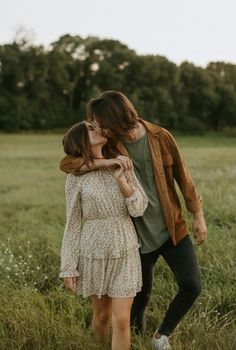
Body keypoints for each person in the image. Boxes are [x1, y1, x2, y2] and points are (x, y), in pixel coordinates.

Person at [60, 91, 207, 350]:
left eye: (99, 122)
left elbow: (183, 178)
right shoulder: (112, 144)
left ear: (115, 118)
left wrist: (198, 215)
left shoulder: (161, 137)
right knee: (139, 297)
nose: (97, 127)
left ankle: (161, 335)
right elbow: (68, 162)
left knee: (192, 284)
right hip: (136, 236)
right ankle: (136, 337)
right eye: (94, 124)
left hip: (172, 227)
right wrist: (106, 162)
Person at [59, 121, 148, 350]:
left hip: (125, 247)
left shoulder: (123, 164)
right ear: (80, 141)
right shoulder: (76, 177)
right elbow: (73, 224)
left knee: (121, 319)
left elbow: (138, 208)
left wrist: (121, 181)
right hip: (93, 252)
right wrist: (68, 266)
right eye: (90, 128)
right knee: (101, 315)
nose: (97, 128)